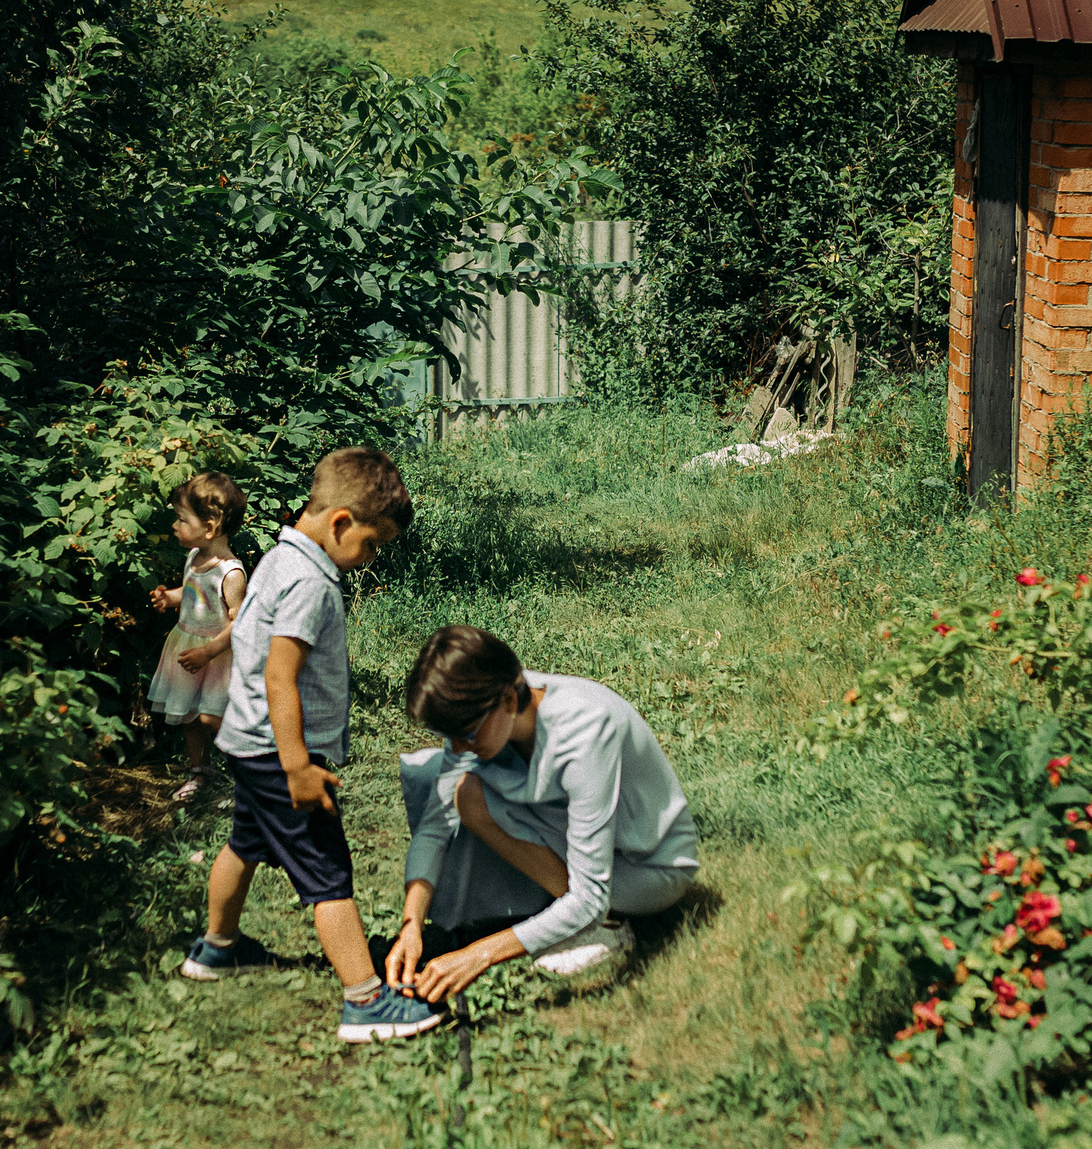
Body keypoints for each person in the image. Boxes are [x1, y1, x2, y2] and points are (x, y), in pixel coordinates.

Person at [177, 447, 446, 1044]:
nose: (370, 559)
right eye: (372, 546)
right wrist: (297, 765)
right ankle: (365, 1001)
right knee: (327, 870)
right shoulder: (310, 582)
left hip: (247, 742)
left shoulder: (277, 558)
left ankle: (216, 948)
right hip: (279, 753)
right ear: (342, 523)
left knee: (245, 841)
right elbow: (281, 674)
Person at [386, 626, 700, 1003]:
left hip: (650, 867)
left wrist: (477, 955)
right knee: (464, 792)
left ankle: (607, 928)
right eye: (449, 735)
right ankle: (564, 912)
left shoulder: (584, 731)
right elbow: (435, 826)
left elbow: (589, 896)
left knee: (472, 793)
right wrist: (411, 926)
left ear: (505, 699)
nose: (458, 747)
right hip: (585, 843)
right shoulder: (492, 707)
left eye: (467, 734)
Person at [146, 472, 248, 803]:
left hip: (216, 657)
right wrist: (170, 598)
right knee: (191, 716)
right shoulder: (194, 557)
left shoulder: (230, 573)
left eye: (181, 519)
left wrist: (209, 652)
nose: (175, 526)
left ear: (209, 527)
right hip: (187, 646)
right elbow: (193, 595)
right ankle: (200, 771)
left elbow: (241, 623)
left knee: (216, 718)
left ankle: (248, 777)